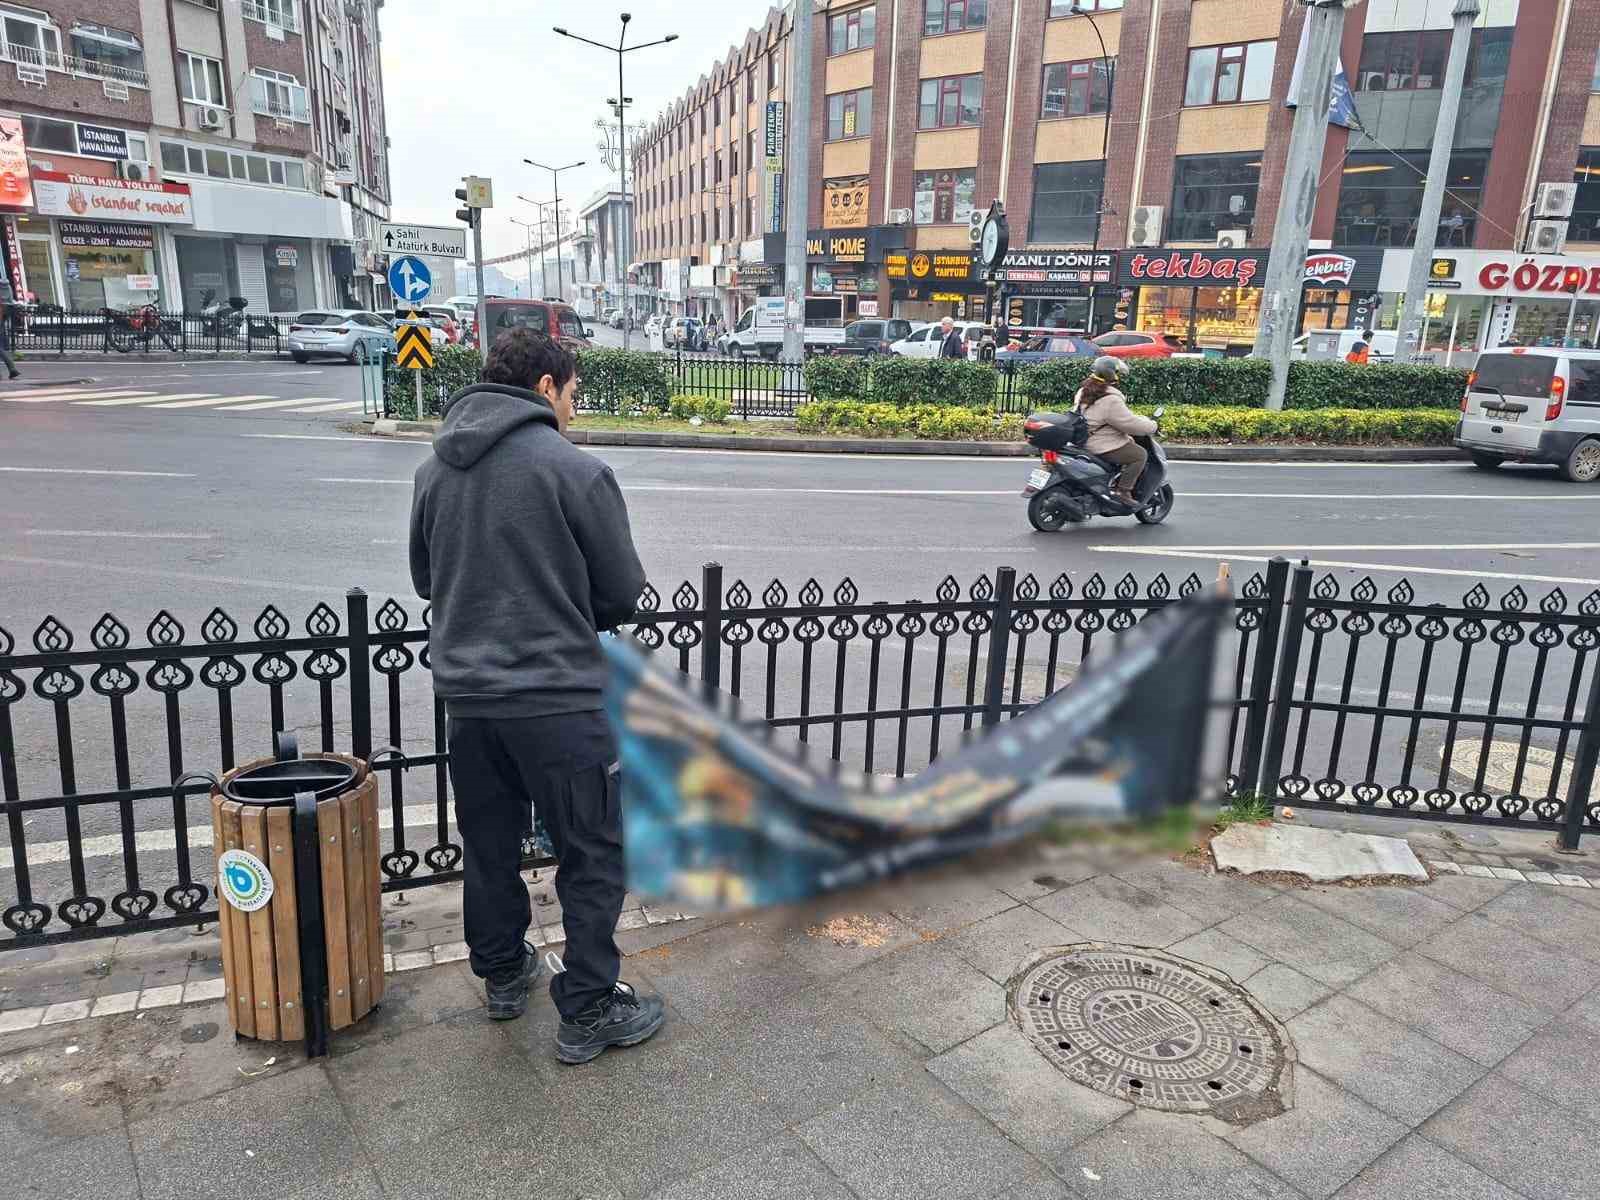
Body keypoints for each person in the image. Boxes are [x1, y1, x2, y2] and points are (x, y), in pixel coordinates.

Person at [409, 327, 666, 1065]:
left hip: (470, 701)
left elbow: (428, 581)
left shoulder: (434, 469)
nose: (575, 411)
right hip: (557, 701)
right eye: (573, 394)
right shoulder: (573, 470)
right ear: (546, 388)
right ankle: (586, 1009)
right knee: (591, 851)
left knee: (489, 847)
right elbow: (621, 593)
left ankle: (502, 974)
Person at [1076, 355, 1157, 506]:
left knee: (1129, 445)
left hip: (1081, 439)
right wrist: (1153, 426)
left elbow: (1116, 418)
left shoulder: (1083, 391)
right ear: (1112, 375)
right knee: (1139, 455)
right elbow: (1129, 424)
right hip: (1100, 444)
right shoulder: (1111, 399)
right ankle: (1123, 491)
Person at [0, 274, 20, 380]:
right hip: (5, 314)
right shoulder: (7, 286)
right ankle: (12, 369)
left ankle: (12, 369)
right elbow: (11, 301)